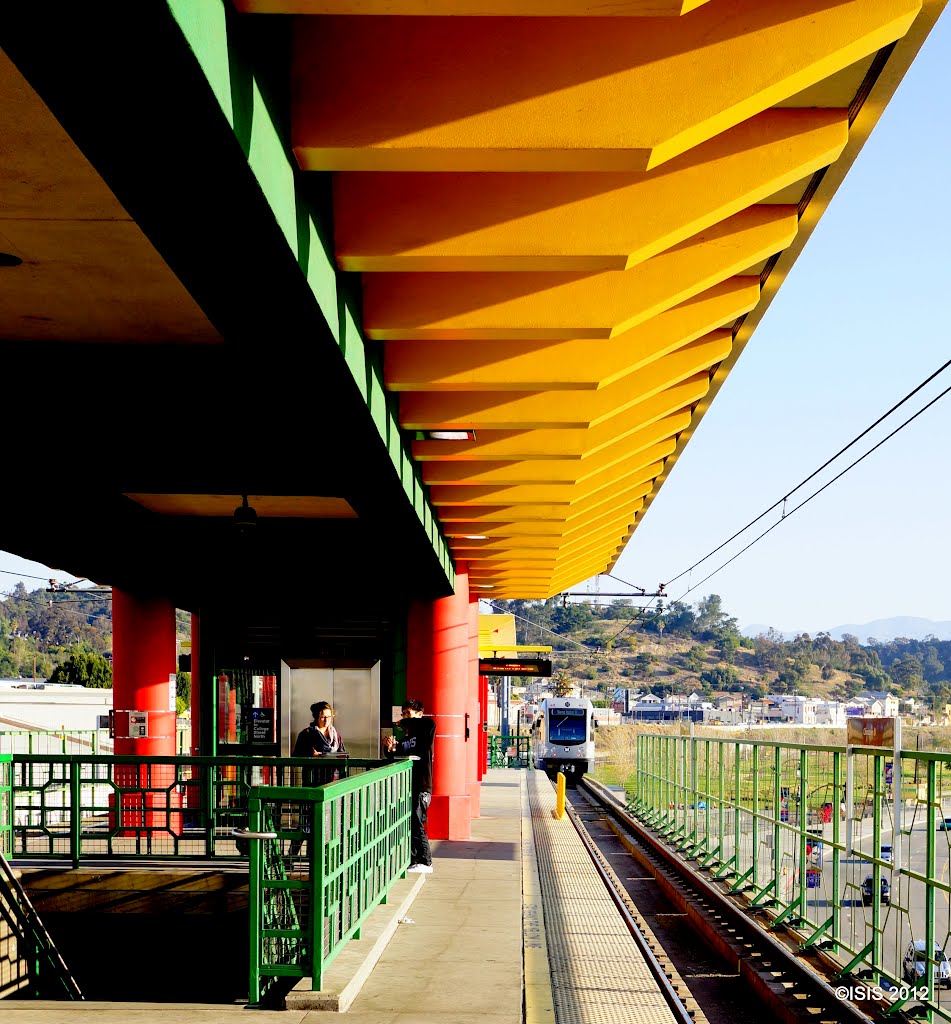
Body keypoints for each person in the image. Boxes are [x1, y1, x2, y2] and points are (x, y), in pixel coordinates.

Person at [288, 701, 348, 863]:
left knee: (327, 822)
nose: (326, 720)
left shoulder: (336, 734)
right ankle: (292, 856)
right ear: (316, 717)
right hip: (312, 782)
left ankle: (323, 856)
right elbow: (296, 756)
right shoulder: (306, 734)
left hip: (331, 783)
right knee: (305, 821)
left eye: (329, 717)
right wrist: (311, 755)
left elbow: (342, 753)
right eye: (323, 717)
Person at [383, 698, 435, 874]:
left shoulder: (426, 730)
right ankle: (414, 859)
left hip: (422, 785)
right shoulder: (407, 738)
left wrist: (404, 722)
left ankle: (426, 861)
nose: (405, 717)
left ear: (419, 714)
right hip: (408, 786)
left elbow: (430, 723)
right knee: (411, 822)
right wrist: (389, 748)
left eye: (409, 714)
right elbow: (395, 756)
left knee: (417, 821)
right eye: (403, 714)